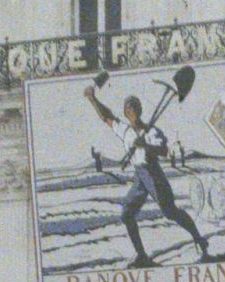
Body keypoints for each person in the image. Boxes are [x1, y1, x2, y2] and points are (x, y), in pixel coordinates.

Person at [84, 84, 212, 267]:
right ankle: (142, 256)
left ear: (140, 110)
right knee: (127, 214)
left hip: (154, 174)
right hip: (140, 176)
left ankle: (199, 239)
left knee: (170, 212)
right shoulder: (125, 130)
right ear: (126, 113)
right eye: (128, 108)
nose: (132, 110)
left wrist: (144, 146)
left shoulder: (152, 131)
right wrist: (92, 99)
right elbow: (106, 117)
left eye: (134, 107)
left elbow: (164, 151)